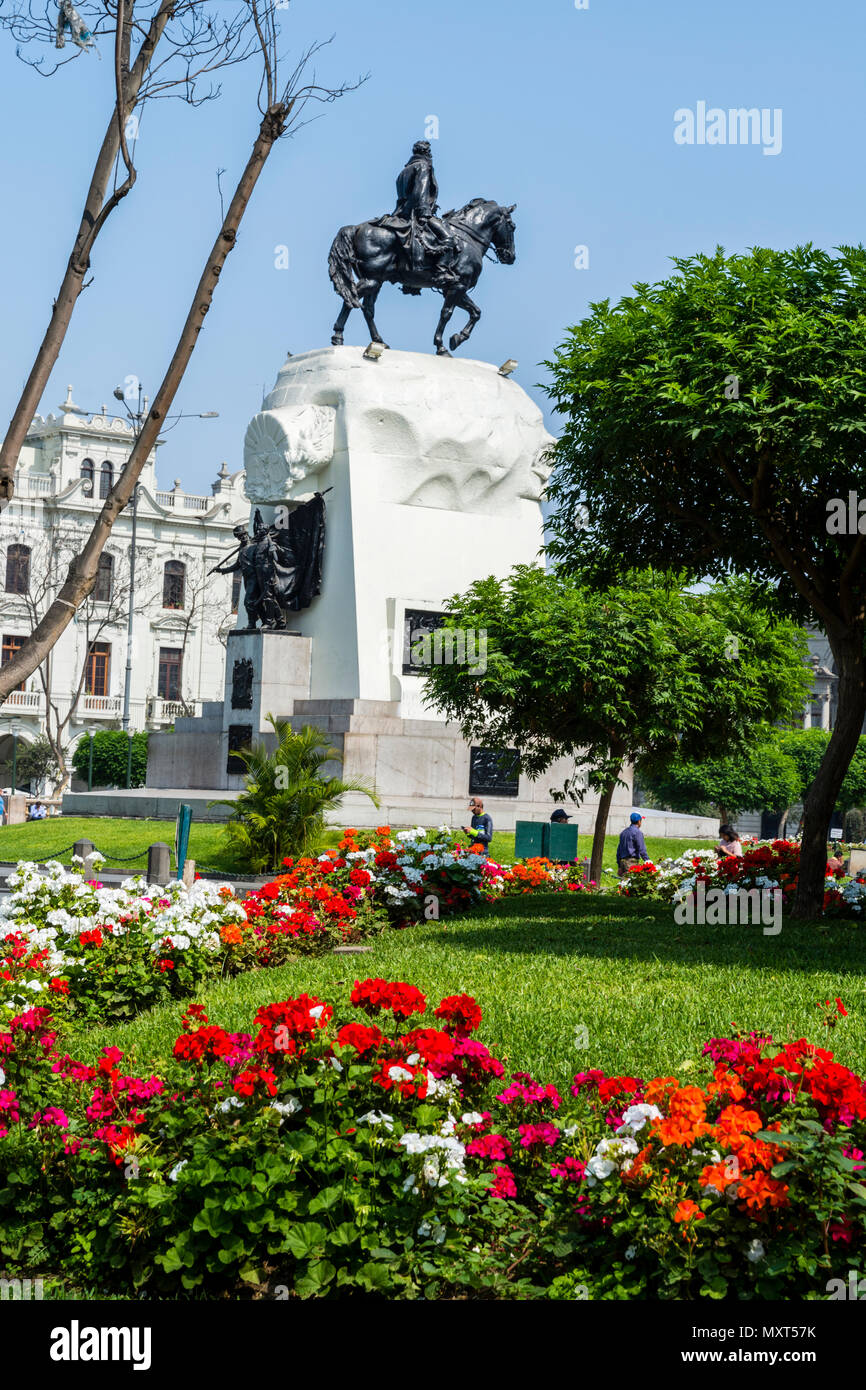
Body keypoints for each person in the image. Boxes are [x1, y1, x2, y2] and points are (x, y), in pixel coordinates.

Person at [616, 811, 649, 877]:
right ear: (639, 821)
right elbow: (641, 849)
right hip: (631, 864)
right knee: (631, 883)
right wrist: (647, 861)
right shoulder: (637, 832)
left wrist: (619, 866)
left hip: (623, 863)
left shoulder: (623, 833)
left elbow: (619, 850)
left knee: (624, 884)